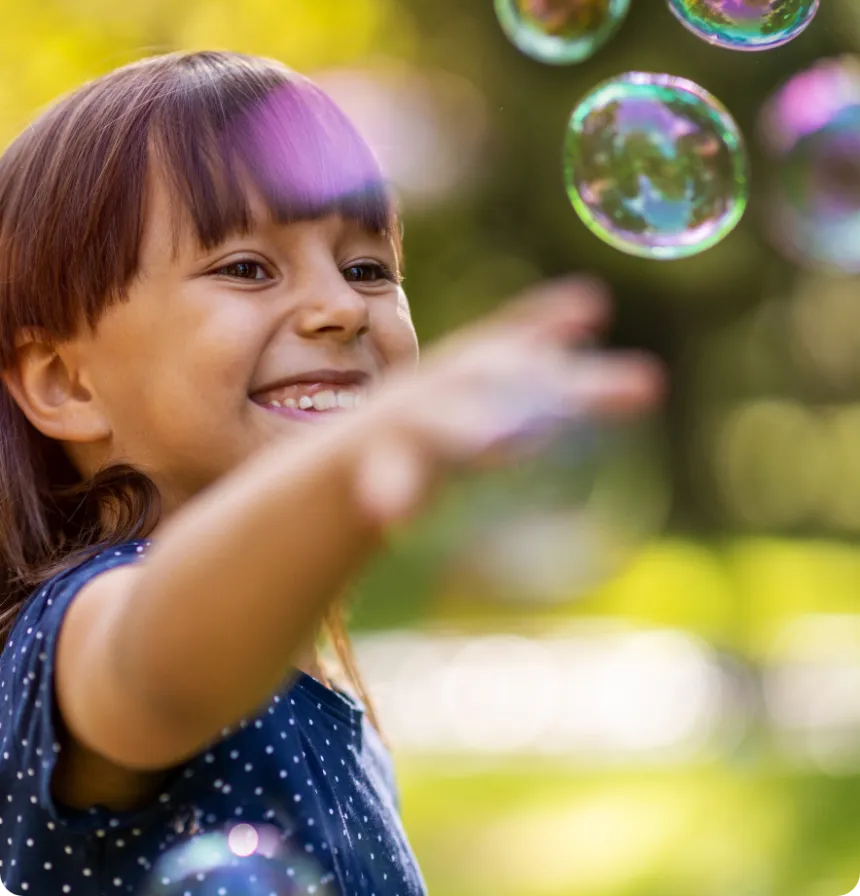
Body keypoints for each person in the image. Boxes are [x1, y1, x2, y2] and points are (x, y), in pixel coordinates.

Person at [0, 50, 663, 896]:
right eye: (245, 267)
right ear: (66, 383)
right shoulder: (84, 622)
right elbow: (152, 665)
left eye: (367, 269)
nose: (342, 309)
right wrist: (345, 469)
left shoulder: (309, 687)